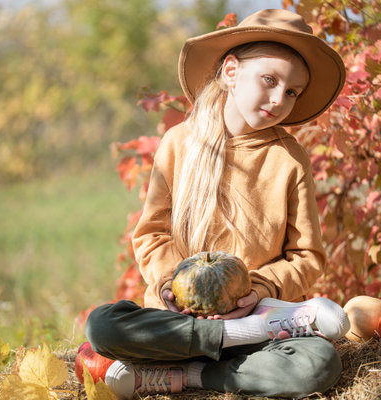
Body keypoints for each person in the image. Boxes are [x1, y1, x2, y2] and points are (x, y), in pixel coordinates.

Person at [86, 8, 350, 399]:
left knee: (320, 364)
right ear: (230, 72)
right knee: (102, 325)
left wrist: (256, 291)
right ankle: (217, 348)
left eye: (292, 91)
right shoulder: (179, 142)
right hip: (178, 325)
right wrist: (169, 287)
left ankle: (193, 378)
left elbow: (307, 256)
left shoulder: (289, 159)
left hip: (256, 321)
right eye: (270, 80)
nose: (279, 98)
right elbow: (152, 234)